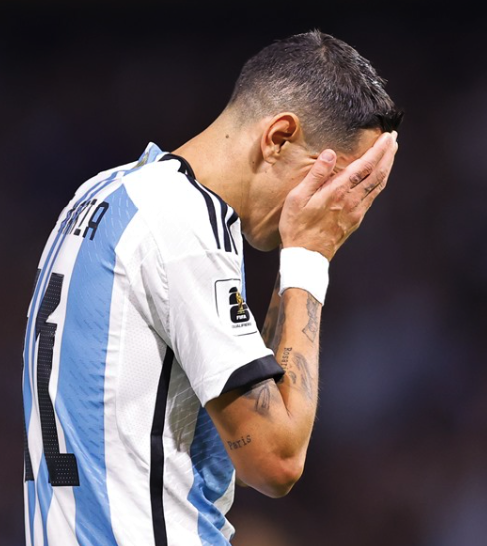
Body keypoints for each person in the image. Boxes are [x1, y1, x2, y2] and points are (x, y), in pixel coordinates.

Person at [21, 30, 402, 546]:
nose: (337, 207)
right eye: (336, 181)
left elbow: (235, 439)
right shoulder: (185, 225)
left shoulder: (99, 194)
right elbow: (274, 461)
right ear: (279, 137)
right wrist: (311, 257)